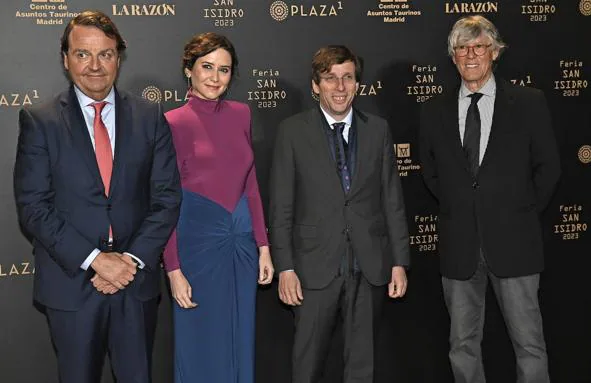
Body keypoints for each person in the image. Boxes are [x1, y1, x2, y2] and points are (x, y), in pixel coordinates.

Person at [13, 10, 181, 383]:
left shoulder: (150, 116)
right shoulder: (40, 121)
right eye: (82, 54)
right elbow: (34, 207)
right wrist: (96, 261)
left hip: (134, 284)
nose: (94, 66)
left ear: (118, 58)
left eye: (105, 54)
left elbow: (167, 197)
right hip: (71, 286)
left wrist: (130, 260)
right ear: (65, 58)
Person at [419, 15, 560, 383]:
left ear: (494, 52)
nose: (470, 55)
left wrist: (519, 212)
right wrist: (465, 206)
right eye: (462, 48)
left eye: (479, 47)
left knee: (529, 344)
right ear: (452, 56)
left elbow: (548, 169)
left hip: (516, 244)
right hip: (459, 246)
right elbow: (432, 174)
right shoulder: (434, 109)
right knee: (462, 346)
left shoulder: (529, 103)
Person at [269, 45, 410, 383]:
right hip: (312, 269)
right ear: (316, 85)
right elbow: (281, 206)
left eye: (347, 78)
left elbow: (392, 199)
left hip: (369, 265)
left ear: (358, 84)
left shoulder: (378, 129)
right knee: (308, 365)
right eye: (330, 79)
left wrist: (399, 262)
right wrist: (285, 267)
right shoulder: (292, 131)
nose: (340, 87)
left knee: (363, 365)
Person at [162, 32, 274, 383]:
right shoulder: (172, 122)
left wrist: (264, 247)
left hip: (240, 246)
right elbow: (165, 202)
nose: (215, 78)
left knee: (240, 338)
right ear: (188, 70)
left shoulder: (242, 114)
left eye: (224, 70)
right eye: (206, 67)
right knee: (200, 343)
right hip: (197, 249)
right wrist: (173, 270)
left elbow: (251, 184)